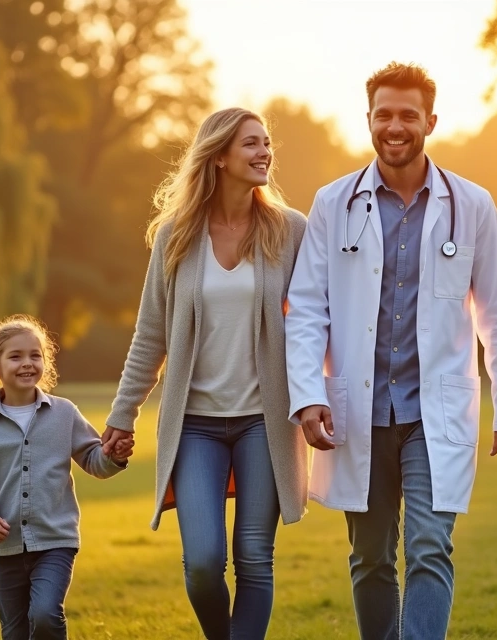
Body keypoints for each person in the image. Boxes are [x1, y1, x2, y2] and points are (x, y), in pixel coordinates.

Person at [284, 62, 497, 640]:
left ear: (430, 121)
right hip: (359, 411)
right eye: (384, 115)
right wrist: (307, 394)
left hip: (434, 413)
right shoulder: (333, 203)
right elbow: (306, 310)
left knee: (429, 547)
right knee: (370, 558)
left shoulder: (471, 205)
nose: (394, 126)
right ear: (369, 119)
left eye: (407, 115)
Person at [99, 107, 309, 640]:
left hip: (265, 419)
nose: (265, 153)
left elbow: (316, 322)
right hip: (194, 424)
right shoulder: (176, 236)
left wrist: (319, 397)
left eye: (266, 144)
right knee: (202, 562)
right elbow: (151, 335)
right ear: (218, 157)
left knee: (254, 557)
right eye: (251, 145)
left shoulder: (290, 231)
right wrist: (122, 415)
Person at [0, 314, 132, 640]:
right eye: (16, 356)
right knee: (15, 631)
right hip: (5, 548)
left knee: (46, 615)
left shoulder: (64, 413)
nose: (27, 363)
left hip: (56, 543)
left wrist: (113, 455)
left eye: (35, 355)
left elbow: (94, 460)